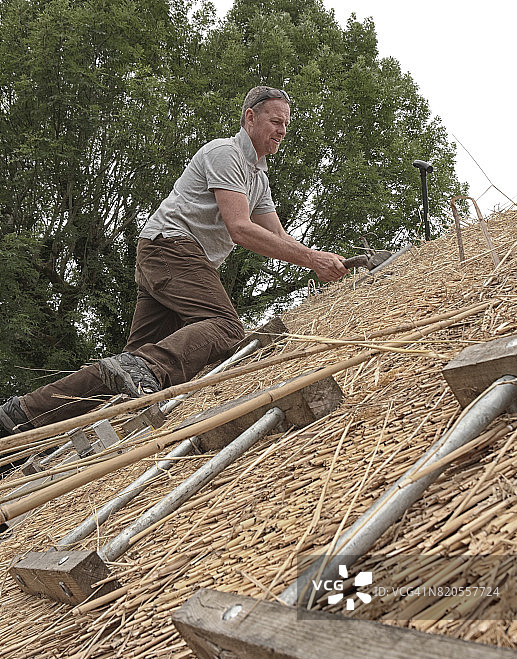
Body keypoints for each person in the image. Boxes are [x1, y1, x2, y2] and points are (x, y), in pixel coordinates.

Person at [0, 86, 348, 437]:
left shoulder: (258, 176)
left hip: (169, 257)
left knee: (127, 367)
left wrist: (319, 260)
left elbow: (279, 236)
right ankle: (145, 369)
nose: (282, 131)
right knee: (225, 328)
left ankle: (20, 416)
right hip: (172, 248)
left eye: (286, 124)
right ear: (250, 117)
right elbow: (241, 229)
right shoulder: (226, 154)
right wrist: (312, 258)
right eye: (276, 121)